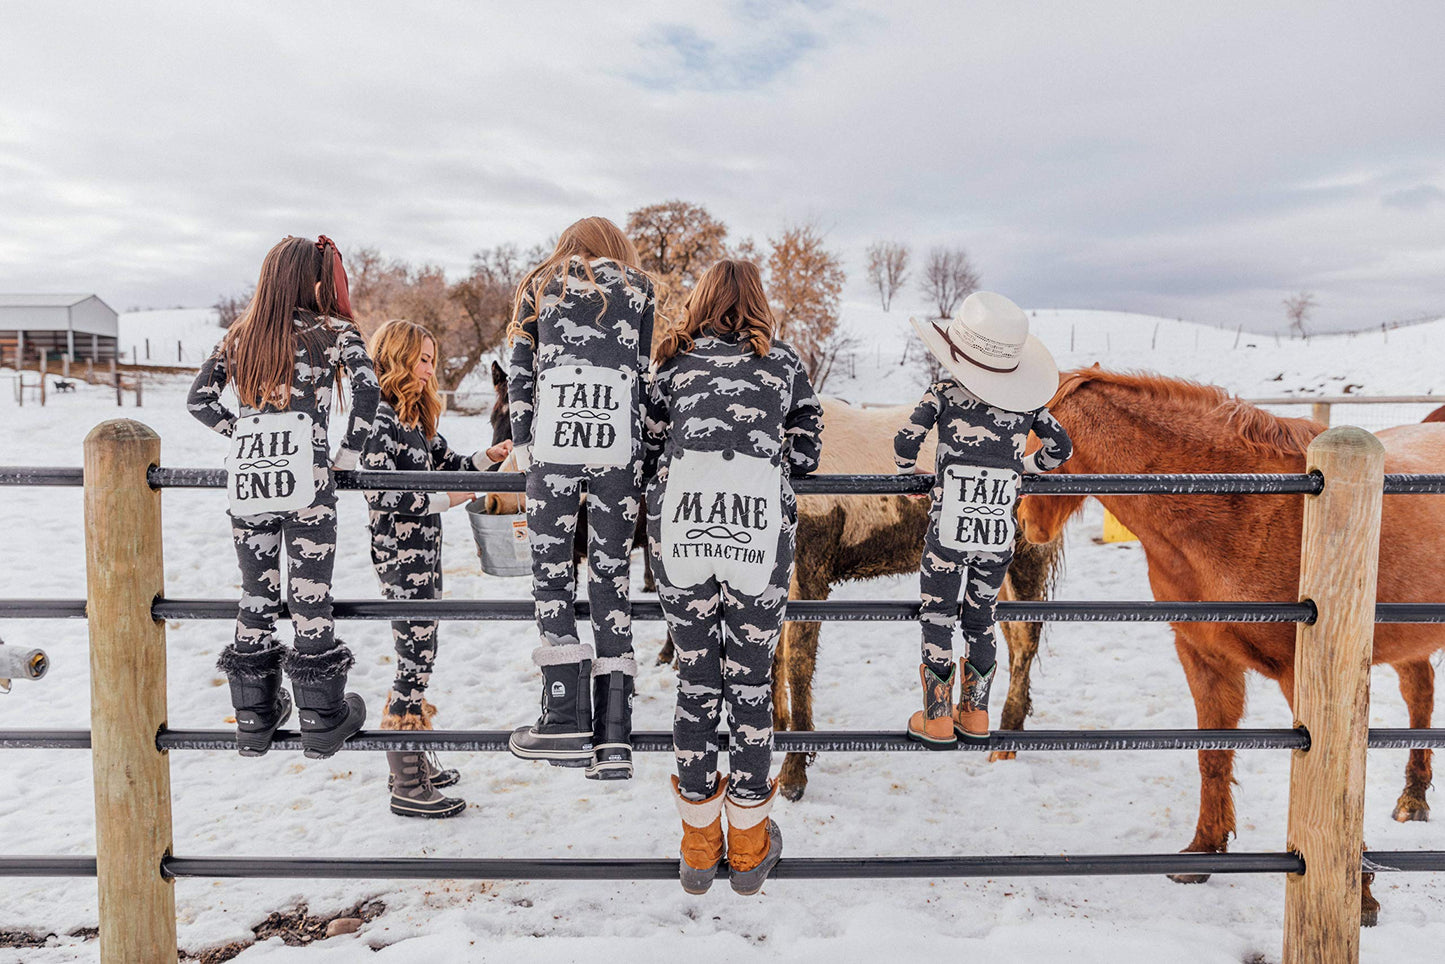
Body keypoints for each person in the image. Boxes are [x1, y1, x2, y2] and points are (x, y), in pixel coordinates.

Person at [644, 260, 823, 896]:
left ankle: (698, 842)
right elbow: (805, 454)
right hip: (757, 532)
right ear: (759, 305)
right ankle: (748, 844)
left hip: (683, 527)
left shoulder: (671, 363)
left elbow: (649, 447)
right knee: (750, 682)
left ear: (699, 303)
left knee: (696, 679)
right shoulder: (787, 364)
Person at [188, 235, 379, 759]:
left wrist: (244, 434)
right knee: (309, 593)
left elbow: (199, 401)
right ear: (313, 279)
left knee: (256, 592)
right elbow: (368, 392)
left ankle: (253, 718)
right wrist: (347, 454)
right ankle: (321, 717)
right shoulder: (334, 330)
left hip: (250, 479)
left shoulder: (239, 334)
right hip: (307, 477)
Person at [505, 217, 656, 780]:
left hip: (554, 442)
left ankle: (564, 718)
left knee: (551, 573)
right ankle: (614, 736)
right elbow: (643, 374)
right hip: (619, 440)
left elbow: (520, 372)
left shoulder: (539, 283)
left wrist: (522, 444)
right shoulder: (640, 287)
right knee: (610, 575)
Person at [893, 291, 1072, 748]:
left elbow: (903, 444)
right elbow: (1061, 450)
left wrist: (910, 470)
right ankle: (974, 714)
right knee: (980, 620)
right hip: (997, 535)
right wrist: (1024, 470)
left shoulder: (943, 393)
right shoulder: (1027, 408)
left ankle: (936, 716)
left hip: (948, 532)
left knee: (937, 616)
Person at [362, 319, 512, 818]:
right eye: (422, 359)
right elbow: (386, 492)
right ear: (399, 359)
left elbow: (451, 462)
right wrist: (460, 494)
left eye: (432, 358)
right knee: (416, 654)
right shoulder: (379, 417)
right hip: (400, 555)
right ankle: (408, 782)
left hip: (425, 553)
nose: (430, 368)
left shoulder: (416, 417)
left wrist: (487, 458)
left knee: (421, 650)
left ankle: (411, 759)